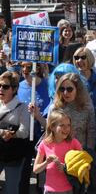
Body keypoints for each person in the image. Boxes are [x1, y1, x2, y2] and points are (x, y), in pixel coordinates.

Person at [31, 73, 96, 150]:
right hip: (58, 153)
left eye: (69, 89)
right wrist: (38, 116)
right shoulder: (55, 107)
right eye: (62, 89)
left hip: (79, 154)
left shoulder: (87, 108)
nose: (65, 93)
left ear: (77, 89)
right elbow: (49, 129)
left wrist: (88, 152)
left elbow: (91, 133)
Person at [17, 62, 49, 194]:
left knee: (42, 174)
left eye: (29, 67)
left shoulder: (47, 86)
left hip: (43, 135)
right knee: (23, 172)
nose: (25, 70)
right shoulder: (18, 86)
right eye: (22, 66)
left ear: (37, 68)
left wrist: (38, 115)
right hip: (24, 136)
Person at [33, 109, 82, 194]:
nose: (66, 129)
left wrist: (66, 168)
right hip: (49, 190)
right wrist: (46, 162)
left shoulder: (74, 143)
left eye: (68, 125)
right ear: (52, 127)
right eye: (62, 125)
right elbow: (36, 170)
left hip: (69, 189)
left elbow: (84, 165)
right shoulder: (44, 144)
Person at [0, 71, 30, 194]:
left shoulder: (22, 107)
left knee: (11, 189)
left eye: (5, 86)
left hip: (13, 154)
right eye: (0, 86)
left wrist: (13, 134)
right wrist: (2, 132)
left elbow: (24, 132)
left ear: (14, 89)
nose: (1, 89)